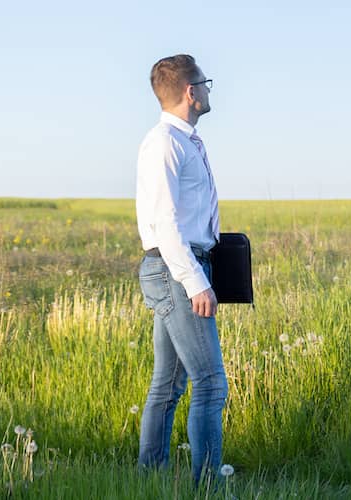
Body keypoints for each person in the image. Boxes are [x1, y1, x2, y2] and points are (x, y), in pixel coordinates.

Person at [134, 53, 227, 485]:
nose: (208, 90)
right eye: (205, 83)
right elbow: (165, 223)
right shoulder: (165, 143)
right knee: (210, 383)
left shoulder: (183, 140)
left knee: (168, 385)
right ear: (191, 92)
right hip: (176, 268)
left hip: (179, 265)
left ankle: (149, 478)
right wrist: (196, 282)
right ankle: (209, 484)